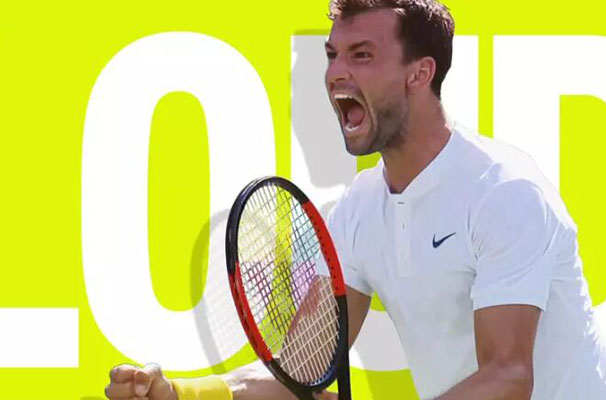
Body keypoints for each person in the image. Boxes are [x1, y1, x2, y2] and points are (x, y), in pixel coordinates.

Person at [106, 0, 606, 399]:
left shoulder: (505, 193)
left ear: (420, 73)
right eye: (332, 55)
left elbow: (509, 378)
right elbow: (301, 371)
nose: (336, 74)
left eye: (361, 55)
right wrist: (182, 393)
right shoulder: (359, 210)